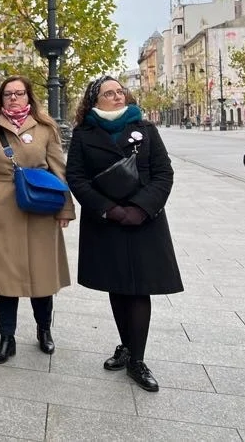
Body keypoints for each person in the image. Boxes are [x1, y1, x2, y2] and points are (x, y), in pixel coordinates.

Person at [65, 75, 183, 392]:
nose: (118, 96)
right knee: (117, 286)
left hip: (145, 221)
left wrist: (141, 208)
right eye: (109, 93)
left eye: (120, 91)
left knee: (139, 287)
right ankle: (126, 347)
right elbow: (76, 177)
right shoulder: (83, 133)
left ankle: (138, 360)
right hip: (107, 221)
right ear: (94, 101)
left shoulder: (145, 129)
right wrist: (110, 209)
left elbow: (163, 173)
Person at [0, 75, 75, 364]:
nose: (13, 98)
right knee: (6, 278)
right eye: (7, 94)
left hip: (41, 209)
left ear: (29, 97)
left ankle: (44, 331)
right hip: (4, 211)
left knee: (42, 274)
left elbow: (58, 170)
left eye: (19, 93)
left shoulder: (45, 129)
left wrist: (65, 208)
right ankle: (7, 338)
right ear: (0, 99)